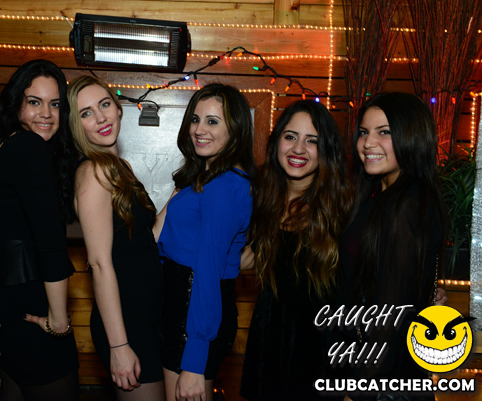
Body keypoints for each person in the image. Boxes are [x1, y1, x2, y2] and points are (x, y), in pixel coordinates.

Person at [0, 59, 80, 401]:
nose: (47, 114)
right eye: (34, 102)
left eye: (55, 104)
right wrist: (59, 320)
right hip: (30, 307)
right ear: (16, 104)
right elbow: (50, 241)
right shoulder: (28, 147)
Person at [239, 100, 352, 400]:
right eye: (290, 137)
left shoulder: (344, 208)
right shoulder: (260, 197)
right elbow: (248, 259)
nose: (298, 149)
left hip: (319, 351)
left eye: (311, 140)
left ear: (326, 149)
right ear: (277, 141)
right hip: (269, 342)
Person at [339, 92, 448, 400]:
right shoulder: (380, 196)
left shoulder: (408, 204)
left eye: (384, 132)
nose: (368, 143)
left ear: (412, 137)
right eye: (364, 132)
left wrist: (360, 388)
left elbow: (391, 316)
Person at [153, 83, 255, 401]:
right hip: (180, 304)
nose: (199, 129)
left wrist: (195, 361)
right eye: (195, 119)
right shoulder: (204, 179)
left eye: (212, 121)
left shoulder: (225, 186)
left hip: (194, 312)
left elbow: (208, 271)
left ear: (235, 129)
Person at [68, 75, 165, 400]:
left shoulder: (118, 166)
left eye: (104, 105)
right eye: (86, 113)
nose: (100, 118)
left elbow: (144, 240)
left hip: (146, 315)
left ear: (118, 109)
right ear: (76, 125)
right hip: (125, 323)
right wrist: (119, 345)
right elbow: (98, 263)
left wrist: (181, 193)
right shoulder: (93, 172)